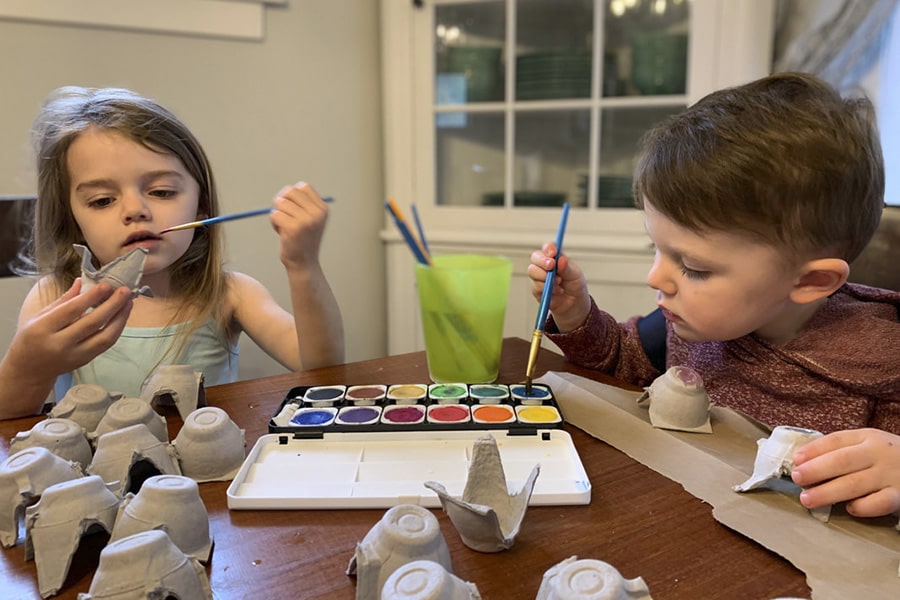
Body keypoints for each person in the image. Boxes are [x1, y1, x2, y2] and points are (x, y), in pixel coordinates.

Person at [528, 72, 900, 518]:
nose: (656, 277)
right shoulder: (688, 322)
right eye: (656, 248)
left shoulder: (884, 369)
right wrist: (576, 313)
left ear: (810, 282)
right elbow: (620, 357)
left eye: (694, 267)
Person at [0, 86, 344, 420]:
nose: (135, 210)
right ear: (72, 219)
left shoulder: (229, 294)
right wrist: (27, 365)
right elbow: (9, 414)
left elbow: (322, 368)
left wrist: (302, 263)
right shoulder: (56, 297)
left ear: (201, 207)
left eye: (162, 192)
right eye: (102, 200)